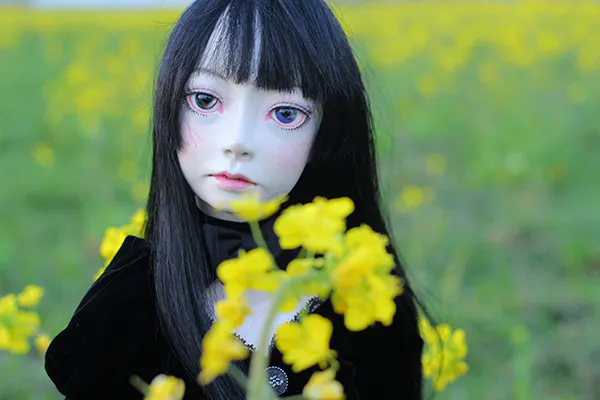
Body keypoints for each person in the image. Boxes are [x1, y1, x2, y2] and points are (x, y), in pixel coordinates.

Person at [45, 0, 426, 399]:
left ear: (328, 135)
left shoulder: (363, 300)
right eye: (205, 101)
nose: (237, 141)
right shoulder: (125, 310)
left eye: (285, 113)